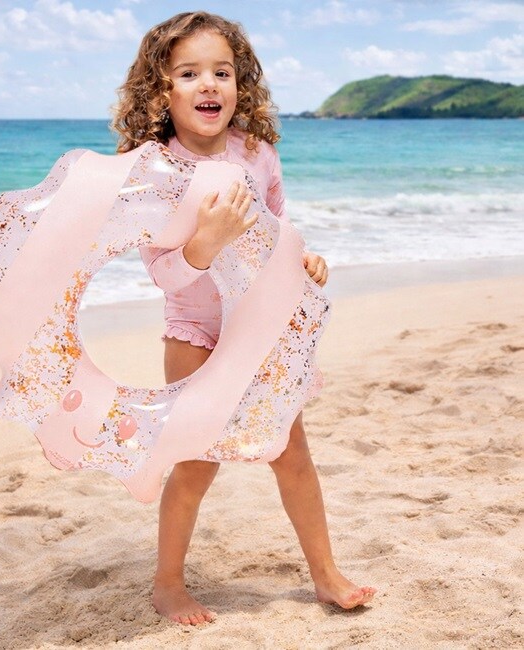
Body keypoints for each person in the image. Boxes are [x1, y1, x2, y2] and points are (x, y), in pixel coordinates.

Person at [112, 11, 376, 625]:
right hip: (196, 335)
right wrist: (205, 242)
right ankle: (168, 584)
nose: (209, 84)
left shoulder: (257, 153)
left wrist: (305, 259)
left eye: (222, 72)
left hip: (261, 329)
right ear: (160, 90)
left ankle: (325, 574)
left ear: (240, 83)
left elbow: (279, 230)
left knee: (292, 453)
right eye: (189, 73)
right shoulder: (154, 171)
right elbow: (165, 275)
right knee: (195, 463)